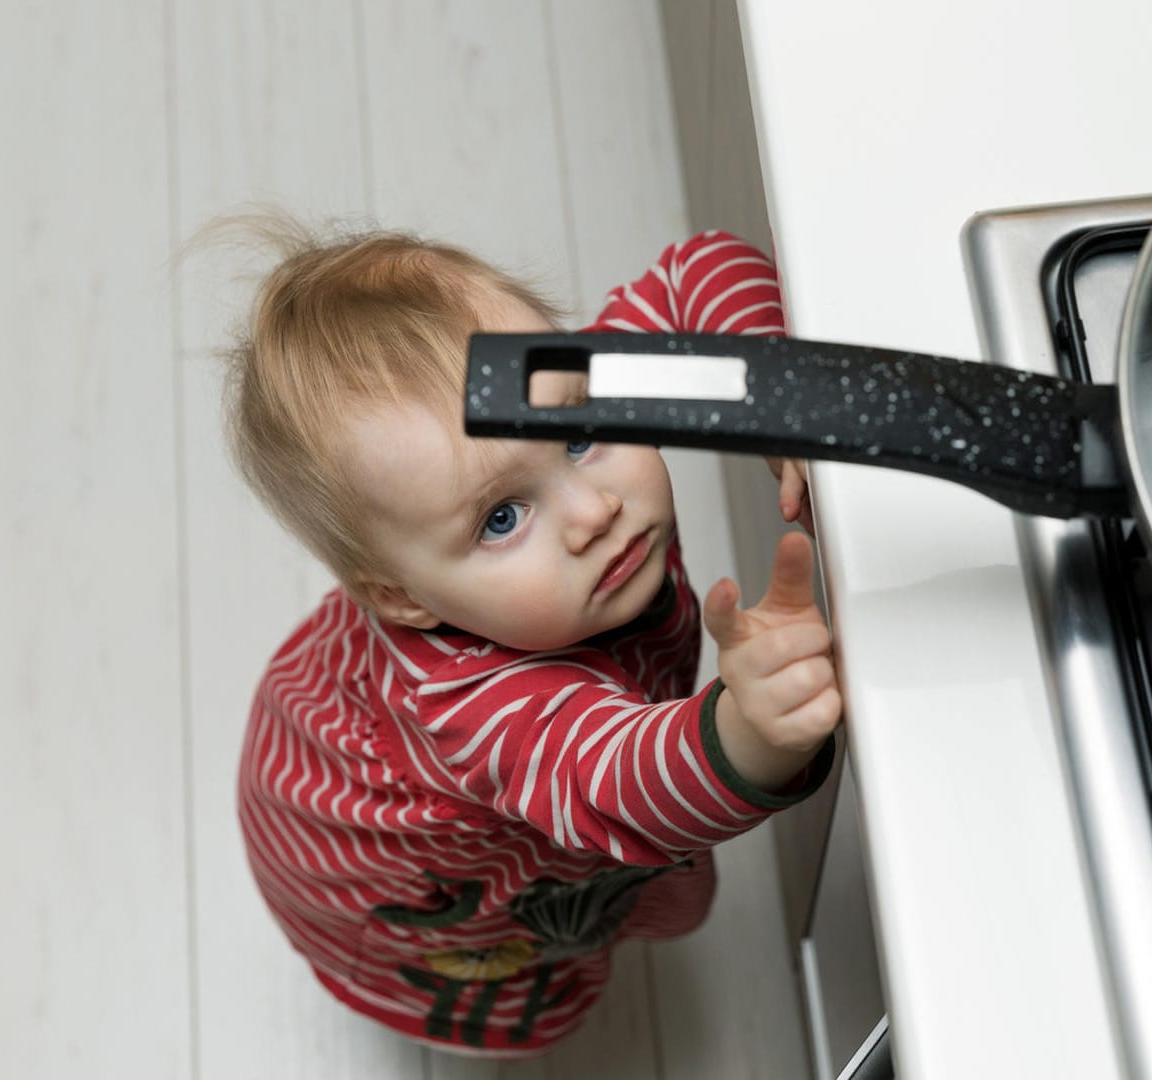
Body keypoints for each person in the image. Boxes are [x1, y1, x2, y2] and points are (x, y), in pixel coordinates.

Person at [220, 218, 840, 1058]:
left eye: (581, 434)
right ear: (400, 597)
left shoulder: (548, 388)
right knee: (524, 971)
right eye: (502, 519)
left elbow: (703, 271)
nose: (594, 513)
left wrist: (774, 390)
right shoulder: (471, 707)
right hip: (392, 869)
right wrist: (750, 732)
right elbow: (619, 779)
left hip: (338, 706)